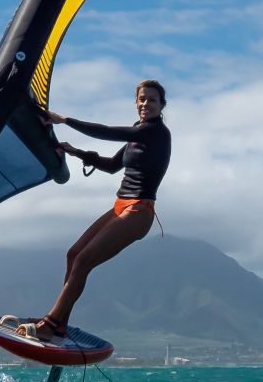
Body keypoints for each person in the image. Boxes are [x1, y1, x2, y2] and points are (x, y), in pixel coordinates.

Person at [18, 79, 171, 343]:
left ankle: (51, 323)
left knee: (84, 260)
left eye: (152, 100)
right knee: (74, 254)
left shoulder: (156, 133)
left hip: (139, 212)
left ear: (162, 105)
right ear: (136, 103)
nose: (146, 104)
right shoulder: (138, 133)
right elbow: (112, 165)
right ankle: (58, 324)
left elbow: (106, 132)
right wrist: (75, 152)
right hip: (120, 206)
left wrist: (64, 120)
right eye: (142, 99)